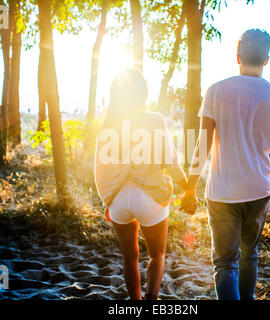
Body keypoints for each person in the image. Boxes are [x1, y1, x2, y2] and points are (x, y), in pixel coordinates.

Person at [180, 29, 270, 300]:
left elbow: (202, 145)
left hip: (222, 193)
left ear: (237, 56)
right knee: (249, 255)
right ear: (266, 60)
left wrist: (190, 189)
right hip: (259, 192)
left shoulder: (216, 91)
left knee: (225, 263)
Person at [94, 69, 188, 300]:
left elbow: (100, 168)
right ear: (143, 94)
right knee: (157, 254)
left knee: (130, 256)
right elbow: (171, 162)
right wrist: (188, 189)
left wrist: (109, 199)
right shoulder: (154, 120)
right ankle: (151, 301)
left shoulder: (108, 125)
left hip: (118, 201)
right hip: (149, 198)